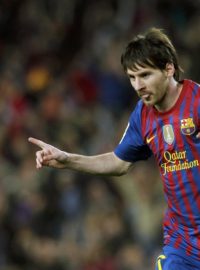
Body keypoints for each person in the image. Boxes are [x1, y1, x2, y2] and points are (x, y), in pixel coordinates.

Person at [28, 27, 200, 270]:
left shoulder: (197, 102)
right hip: (182, 245)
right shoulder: (142, 115)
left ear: (168, 68)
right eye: (132, 77)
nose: (138, 85)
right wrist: (67, 159)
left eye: (145, 75)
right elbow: (119, 163)